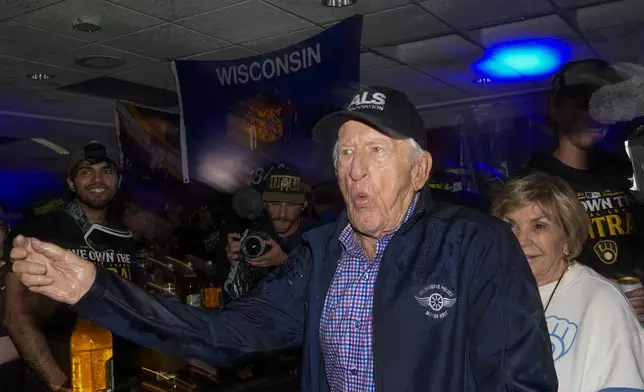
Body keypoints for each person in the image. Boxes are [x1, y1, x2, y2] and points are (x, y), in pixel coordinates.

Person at [10, 87, 557, 392]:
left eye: (376, 151)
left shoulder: (477, 245)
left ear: (420, 170)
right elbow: (222, 331)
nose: (356, 170)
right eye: (345, 153)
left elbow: (521, 385)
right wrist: (96, 289)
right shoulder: (322, 254)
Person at [3, 141, 138, 391]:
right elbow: (16, 316)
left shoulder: (126, 237)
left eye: (107, 171)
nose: (98, 179)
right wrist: (58, 383)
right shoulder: (40, 229)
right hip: (62, 379)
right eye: (86, 171)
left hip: (121, 378)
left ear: (118, 182)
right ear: (71, 183)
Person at [492, 172, 644, 391]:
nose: (521, 240)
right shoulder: (487, 292)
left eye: (539, 226)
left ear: (567, 239)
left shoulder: (599, 299)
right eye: (511, 226)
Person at [523, 59, 642, 281]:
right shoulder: (534, 182)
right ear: (556, 109)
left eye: (606, 106)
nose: (596, 114)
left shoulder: (627, 170)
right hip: (578, 307)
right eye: (583, 103)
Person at [226, 169, 319, 274]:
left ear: (304, 205)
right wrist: (236, 266)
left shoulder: (319, 239)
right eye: (275, 203)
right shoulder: (254, 237)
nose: (282, 214)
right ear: (264, 204)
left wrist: (283, 261)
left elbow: (323, 284)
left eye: (291, 204)